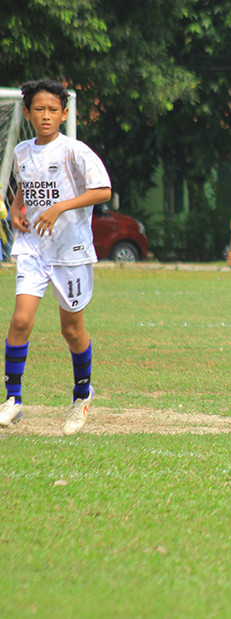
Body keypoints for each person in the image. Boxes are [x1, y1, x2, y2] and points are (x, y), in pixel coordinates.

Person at [0, 80, 113, 435]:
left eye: (53, 110)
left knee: (71, 328)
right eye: (39, 109)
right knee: (20, 321)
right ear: (29, 113)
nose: (46, 116)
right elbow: (24, 190)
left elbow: (103, 190)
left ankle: (82, 395)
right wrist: (17, 210)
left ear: (64, 114)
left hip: (70, 251)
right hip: (33, 247)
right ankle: (13, 400)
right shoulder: (21, 151)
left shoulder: (74, 151)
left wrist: (60, 207)